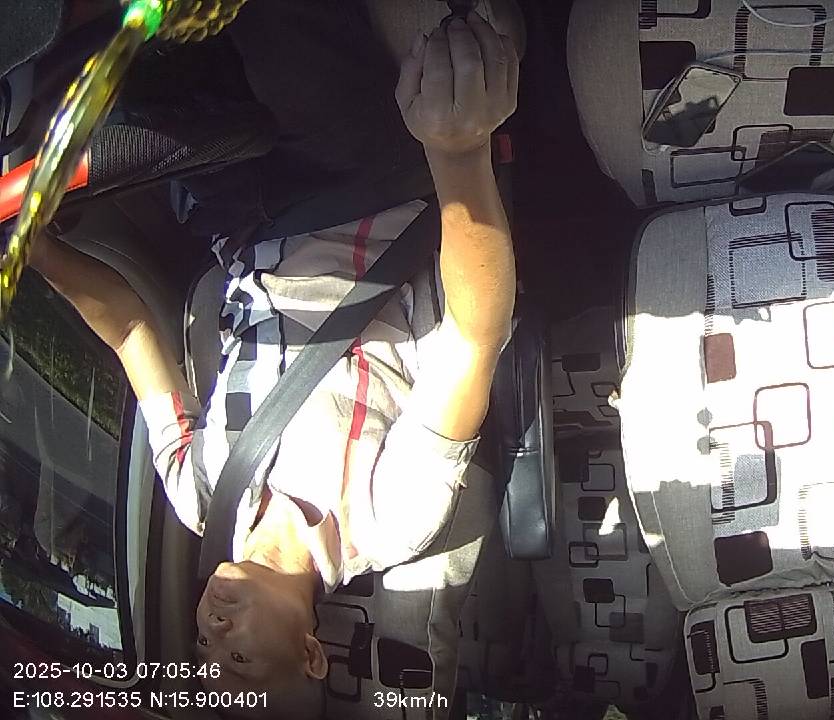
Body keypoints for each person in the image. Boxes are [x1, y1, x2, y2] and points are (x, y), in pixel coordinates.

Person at [28, 12, 518, 715]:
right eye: (240, 658)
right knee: (271, 24)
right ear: (312, 653)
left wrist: (38, 251)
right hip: (367, 193)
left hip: (231, 216)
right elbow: (475, 336)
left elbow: (132, 332)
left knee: (111, 58)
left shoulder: (199, 498)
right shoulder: (388, 519)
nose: (213, 629)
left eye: (203, 649)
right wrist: (459, 155)